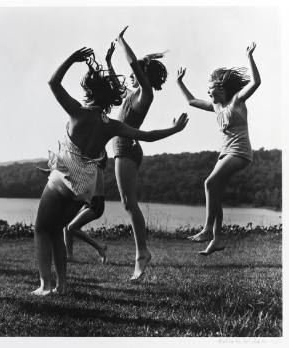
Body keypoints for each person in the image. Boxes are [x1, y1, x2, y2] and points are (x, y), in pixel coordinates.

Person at [32, 46, 188, 296]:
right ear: (110, 99)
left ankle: (45, 285)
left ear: (89, 91)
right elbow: (146, 136)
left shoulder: (77, 113)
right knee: (57, 229)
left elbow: (53, 82)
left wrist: (72, 58)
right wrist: (174, 130)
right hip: (86, 185)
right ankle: (61, 285)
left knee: (42, 229)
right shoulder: (111, 125)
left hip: (65, 176)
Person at [176, 42, 260, 255]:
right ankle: (216, 240)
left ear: (221, 89)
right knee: (215, 192)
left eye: (210, 89)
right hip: (225, 153)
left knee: (209, 182)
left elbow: (257, 82)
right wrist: (179, 82)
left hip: (240, 152)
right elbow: (192, 101)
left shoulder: (237, 101)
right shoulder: (216, 106)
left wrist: (249, 56)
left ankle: (206, 230)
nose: (208, 92)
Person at [111, 26, 169, 280]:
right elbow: (116, 86)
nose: (130, 76)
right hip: (123, 149)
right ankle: (141, 252)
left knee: (128, 203)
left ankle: (141, 253)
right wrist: (106, 62)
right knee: (128, 203)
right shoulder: (132, 94)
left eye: (135, 74)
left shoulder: (146, 94)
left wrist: (122, 41)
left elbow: (134, 66)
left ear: (143, 75)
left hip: (126, 149)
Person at [64, 151, 107, 263]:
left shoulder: (97, 167)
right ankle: (69, 256)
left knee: (72, 227)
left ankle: (100, 247)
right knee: (66, 226)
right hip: (89, 202)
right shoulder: (89, 167)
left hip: (96, 204)